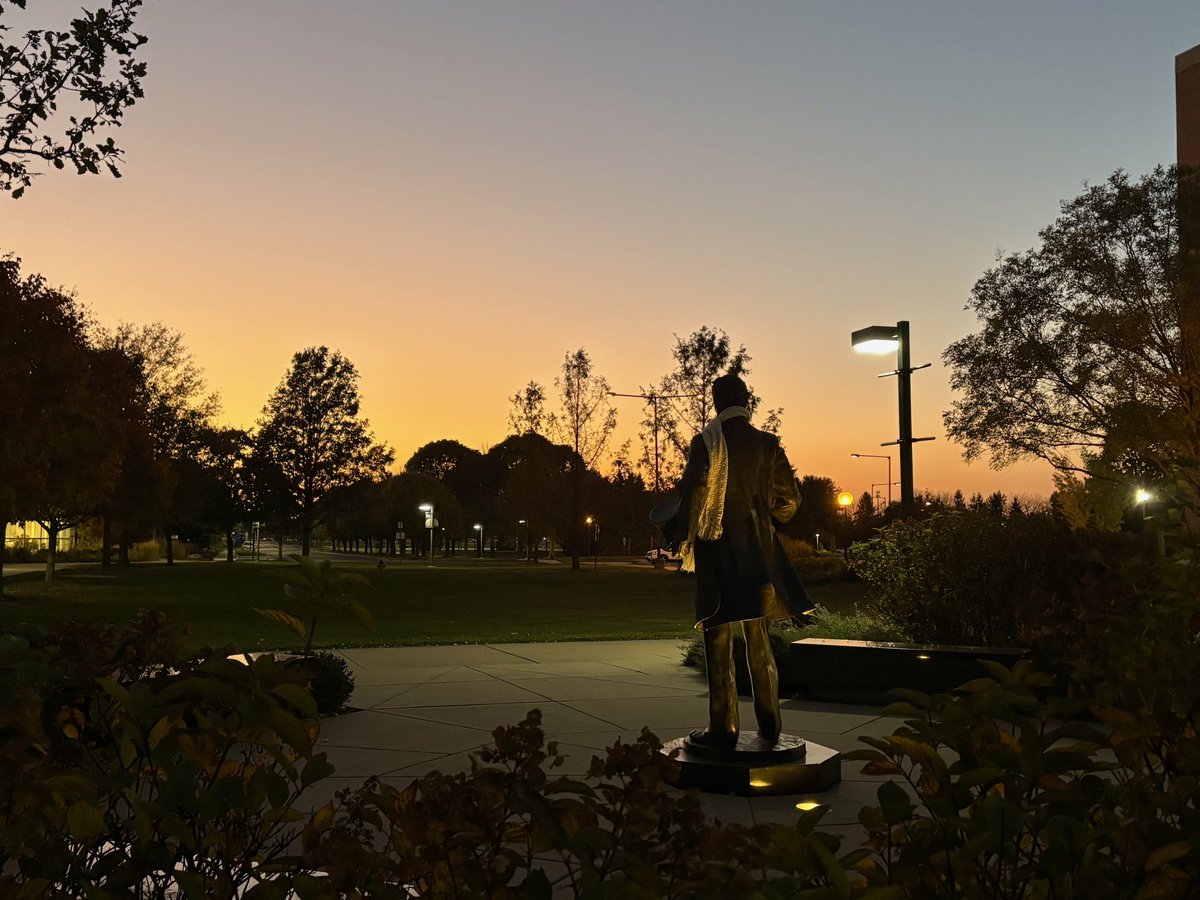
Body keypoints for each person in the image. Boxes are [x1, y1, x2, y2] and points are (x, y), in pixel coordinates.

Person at [665, 373, 810, 749]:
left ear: (716, 403)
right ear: (747, 401)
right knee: (758, 638)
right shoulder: (768, 444)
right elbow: (790, 500)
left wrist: (680, 533)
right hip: (758, 553)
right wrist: (763, 521)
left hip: (718, 553)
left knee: (718, 638)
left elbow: (694, 488)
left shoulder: (706, 441)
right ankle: (770, 724)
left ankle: (724, 726)